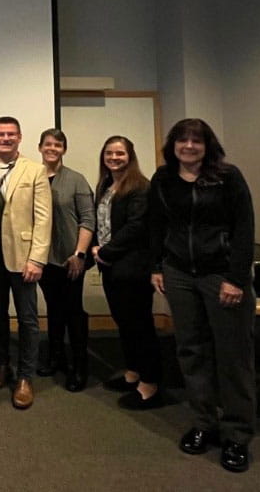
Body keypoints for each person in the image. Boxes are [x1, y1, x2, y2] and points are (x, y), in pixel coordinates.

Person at [150, 119, 255, 473]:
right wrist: (157, 266)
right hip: (179, 274)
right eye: (183, 140)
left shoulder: (228, 177)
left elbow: (244, 227)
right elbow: (156, 226)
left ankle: (237, 435)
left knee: (233, 354)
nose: (189, 146)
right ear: (173, 145)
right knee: (191, 350)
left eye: (196, 140)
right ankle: (203, 423)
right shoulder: (163, 179)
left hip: (220, 275)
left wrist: (236, 278)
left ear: (207, 145)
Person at [91, 136, 162, 410]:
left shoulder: (140, 187)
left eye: (119, 153)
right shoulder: (106, 184)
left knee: (140, 325)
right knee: (124, 322)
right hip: (111, 267)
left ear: (130, 156)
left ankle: (150, 385)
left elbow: (136, 228)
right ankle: (133, 373)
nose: (114, 158)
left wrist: (105, 252)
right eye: (109, 153)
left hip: (131, 267)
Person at [0, 117, 51, 409]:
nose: (6, 139)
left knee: (27, 318)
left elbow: (43, 218)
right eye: (0, 134)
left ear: (20, 137)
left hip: (23, 256)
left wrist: (37, 258)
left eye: (11, 134)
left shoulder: (35, 170)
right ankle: (2, 363)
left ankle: (25, 377)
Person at [35, 128, 96, 392]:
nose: (52, 148)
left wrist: (80, 254)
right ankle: (56, 357)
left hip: (71, 258)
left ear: (64, 149)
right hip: (43, 259)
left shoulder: (76, 180)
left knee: (73, 311)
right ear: (40, 147)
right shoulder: (33, 177)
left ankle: (79, 366)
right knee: (54, 308)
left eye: (57, 145)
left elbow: (88, 219)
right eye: (48, 144)